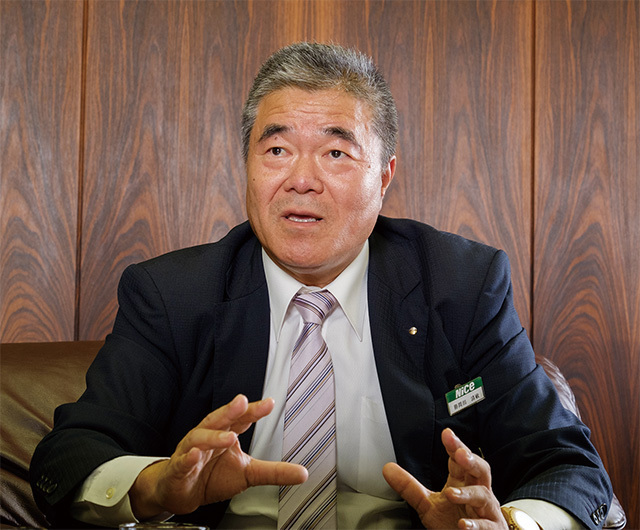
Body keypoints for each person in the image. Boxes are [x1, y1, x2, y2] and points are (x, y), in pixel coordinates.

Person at [31, 42, 612, 530]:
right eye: (277, 150)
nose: (301, 180)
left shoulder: (461, 287)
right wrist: (158, 486)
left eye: (335, 152)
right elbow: (69, 458)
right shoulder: (173, 295)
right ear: (247, 167)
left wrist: (505, 525)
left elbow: (569, 468)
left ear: (384, 176)